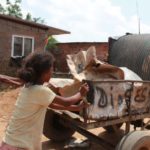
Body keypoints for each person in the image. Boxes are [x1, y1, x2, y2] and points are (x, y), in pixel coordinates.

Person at [0, 51, 89, 150]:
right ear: (43, 72)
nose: (52, 72)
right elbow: (66, 102)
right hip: (19, 145)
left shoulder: (29, 87)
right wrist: (80, 93)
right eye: (51, 69)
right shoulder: (40, 90)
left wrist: (76, 107)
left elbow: (51, 105)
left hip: (12, 141)